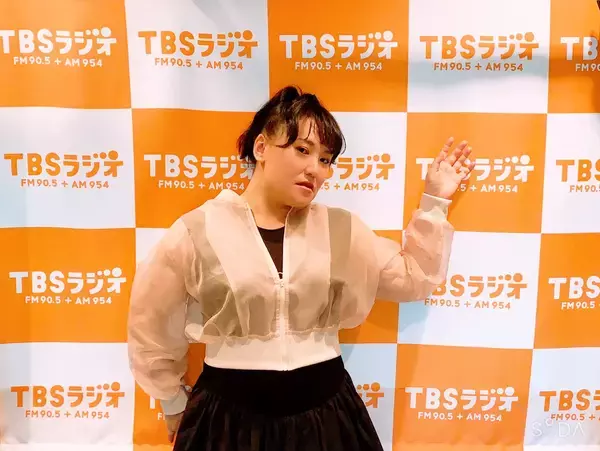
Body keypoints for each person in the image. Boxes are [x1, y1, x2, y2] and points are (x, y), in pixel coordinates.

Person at [127, 85, 475, 451]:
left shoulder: (342, 229)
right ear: (261, 148)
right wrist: (171, 400)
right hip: (227, 419)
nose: (315, 170)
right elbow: (150, 326)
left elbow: (414, 277)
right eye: (302, 150)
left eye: (325, 159)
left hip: (327, 417)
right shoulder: (197, 230)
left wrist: (435, 201)